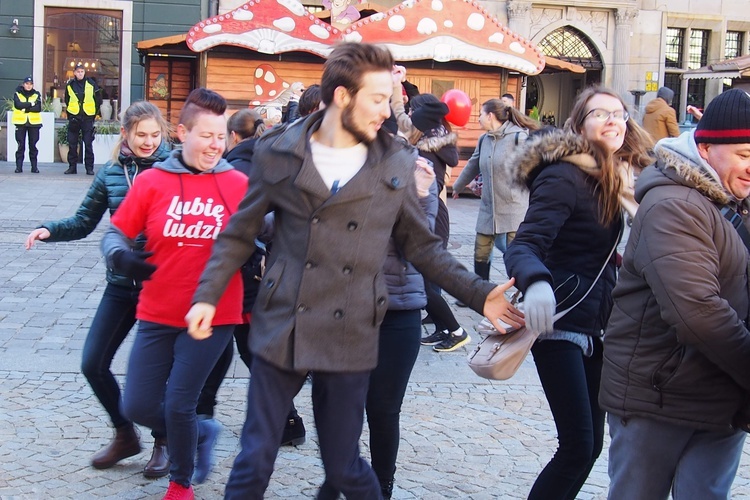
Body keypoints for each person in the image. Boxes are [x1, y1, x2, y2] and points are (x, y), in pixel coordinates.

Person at [184, 42, 523, 499]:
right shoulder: (278, 151)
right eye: (378, 98)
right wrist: (208, 294)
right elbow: (239, 233)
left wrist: (481, 293)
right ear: (343, 96)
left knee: (343, 466)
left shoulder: (396, 161)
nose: (387, 110)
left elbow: (422, 248)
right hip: (284, 319)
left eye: (390, 99)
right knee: (255, 457)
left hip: (350, 325)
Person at [504, 86, 653, 500]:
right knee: (576, 446)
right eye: (600, 114)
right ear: (579, 124)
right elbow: (524, 244)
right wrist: (535, 282)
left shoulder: (618, 177)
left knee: (589, 449)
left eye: (620, 114)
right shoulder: (565, 175)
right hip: (560, 320)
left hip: (597, 325)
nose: (613, 121)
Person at [600, 88, 750, 499]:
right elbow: (696, 312)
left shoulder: (735, 201)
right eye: (744, 154)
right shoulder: (674, 203)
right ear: (705, 148)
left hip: (722, 398)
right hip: (659, 395)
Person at [101, 88, 248, 500]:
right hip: (157, 310)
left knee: (180, 402)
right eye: (206, 136)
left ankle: (180, 486)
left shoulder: (238, 184)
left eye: (221, 137)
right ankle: (203, 431)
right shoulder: (151, 182)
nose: (215, 145)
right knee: (138, 406)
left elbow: (266, 227)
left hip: (215, 314)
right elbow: (117, 232)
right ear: (183, 133)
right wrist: (119, 256)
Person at [24, 101, 172, 477]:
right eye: (141, 135)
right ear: (125, 134)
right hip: (121, 285)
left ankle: (164, 440)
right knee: (92, 362)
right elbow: (84, 220)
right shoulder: (110, 174)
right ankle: (125, 435)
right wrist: (50, 230)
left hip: (161, 286)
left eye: (155, 135)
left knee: (156, 370)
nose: (149, 142)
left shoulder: (177, 171)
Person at [198, 107, 307, 454]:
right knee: (247, 349)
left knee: (223, 350)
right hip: (256, 272)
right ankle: (286, 421)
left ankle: (202, 416)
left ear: (231, 137)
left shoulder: (232, 170)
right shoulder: (268, 163)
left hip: (236, 273)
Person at [452, 98, 540, 282]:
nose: (478, 119)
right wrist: (457, 187)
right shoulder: (484, 139)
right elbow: (473, 164)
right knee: (481, 252)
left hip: (514, 208)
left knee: (516, 255)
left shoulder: (519, 137)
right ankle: (481, 291)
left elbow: (535, 168)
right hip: (488, 207)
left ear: (490, 116)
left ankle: (522, 291)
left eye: (481, 115)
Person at [64, 63, 101, 175]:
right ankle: (72, 167)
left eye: (82, 71)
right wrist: (71, 115)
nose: (80, 73)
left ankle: (89, 168)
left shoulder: (91, 84)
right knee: (72, 144)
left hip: (87, 117)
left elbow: (98, 100)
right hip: (74, 117)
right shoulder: (70, 85)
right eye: (78, 71)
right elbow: (67, 100)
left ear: (84, 72)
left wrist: (93, 114)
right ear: (74, 73)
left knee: (88, 144)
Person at [12, 76, 42, 174]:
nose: (29, 86)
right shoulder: (17, 94)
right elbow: (18, 105)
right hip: (20, 123)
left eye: (30, 84)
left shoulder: (36, 94)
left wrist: (25, 108)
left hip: (34, 123)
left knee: (33, 146)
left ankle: (34, 167)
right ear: (23, 84)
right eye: (27, 84)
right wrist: (31, 104)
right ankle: (19, 167)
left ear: (32, 85)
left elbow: (38, 108)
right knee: (21, 146)